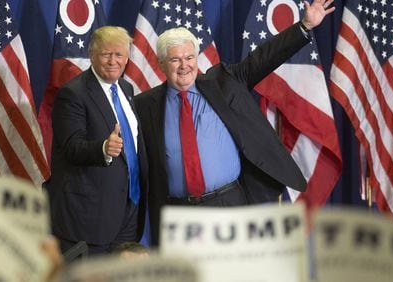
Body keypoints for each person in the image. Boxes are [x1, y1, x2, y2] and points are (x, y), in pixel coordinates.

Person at [133, 0, 335, 246]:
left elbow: (263, 58)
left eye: (189, 57)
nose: (184, 65)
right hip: (177, 213)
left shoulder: (224, 82)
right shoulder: (144, 105)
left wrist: (304, 26)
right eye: (175, 60)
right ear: (162, 63)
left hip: (228, 203)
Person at [46, 26, 148, 255]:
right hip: (89, 216)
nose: (113, 61)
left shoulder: (126, 88)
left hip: (128, 209)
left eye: (119, 54)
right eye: (106, 54)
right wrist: (103, 148)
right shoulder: (72, 94)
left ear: (127, 57)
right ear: (92, 56)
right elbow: (71, 146)